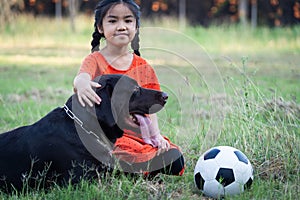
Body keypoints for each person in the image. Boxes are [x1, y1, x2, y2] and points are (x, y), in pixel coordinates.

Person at [73, 0, 184, 177]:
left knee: (175, 158)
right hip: (110, 136)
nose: (121, 26)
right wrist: (81, 83)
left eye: (128, 20)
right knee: (122, 152)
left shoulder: (143, 66)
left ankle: (142, 166)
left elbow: (150, 109)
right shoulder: (94, 60)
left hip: (140, 135)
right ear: (100, 28)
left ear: (136, 27)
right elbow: (82, 78)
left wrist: (157, 137)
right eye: (113, 21)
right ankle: (134, 167)